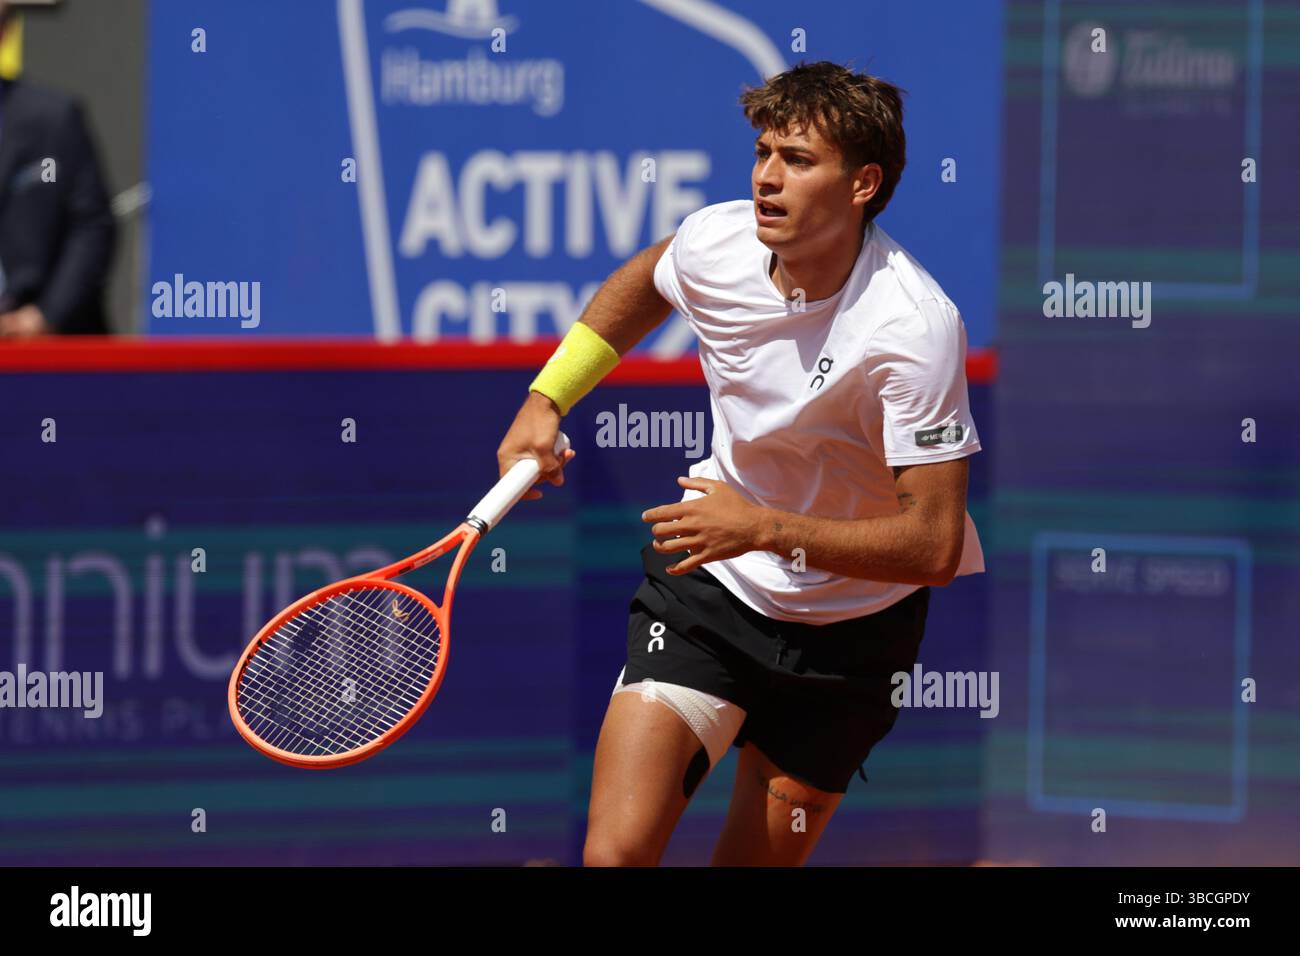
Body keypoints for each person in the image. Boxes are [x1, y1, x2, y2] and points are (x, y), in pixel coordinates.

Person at [496, 60, 985, 866]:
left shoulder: (914, 327)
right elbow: (648, 283)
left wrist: (762, 527)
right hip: (711, 594)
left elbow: (933, 545)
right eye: (762, 153)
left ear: (863, 184)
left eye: (797, 160)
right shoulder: (717, 242)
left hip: (853, 638)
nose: (766, 177)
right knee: (615, 854)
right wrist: (547, 399)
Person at [0, 1, 116, 337]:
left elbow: (92, 225)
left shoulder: (54, 118)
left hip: (49, 346)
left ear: (5, 32)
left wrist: (42, 317)